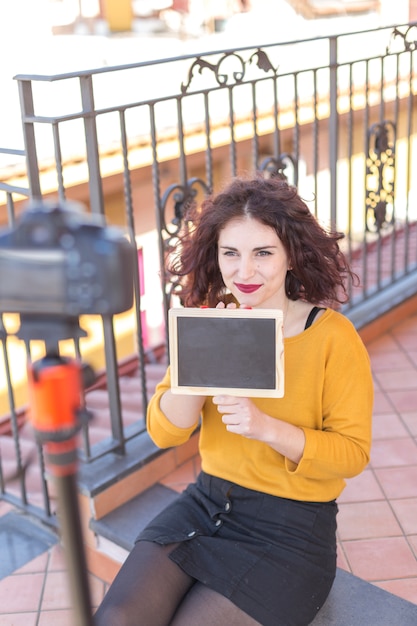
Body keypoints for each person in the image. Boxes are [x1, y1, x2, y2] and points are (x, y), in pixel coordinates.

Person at [95, 174, 374, 626]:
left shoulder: (332, 338)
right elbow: (165, 431)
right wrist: (206, 358)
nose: (244, 272)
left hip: (292, 528)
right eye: (231, 253)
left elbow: (352, 454)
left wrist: (265, 427)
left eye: (263, 253)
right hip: (207, 504)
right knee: (119, 618)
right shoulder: (209, 323)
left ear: (290, 257)